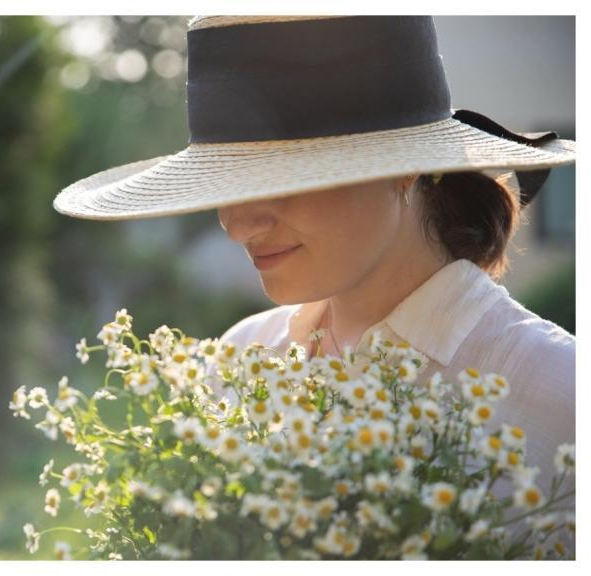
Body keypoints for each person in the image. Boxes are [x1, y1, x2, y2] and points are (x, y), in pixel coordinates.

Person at [53, 16, 575, 522]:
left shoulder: (562, 395)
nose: (237, 226)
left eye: (282, 179)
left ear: (405, 166)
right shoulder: (239, 360)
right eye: (225, 183)